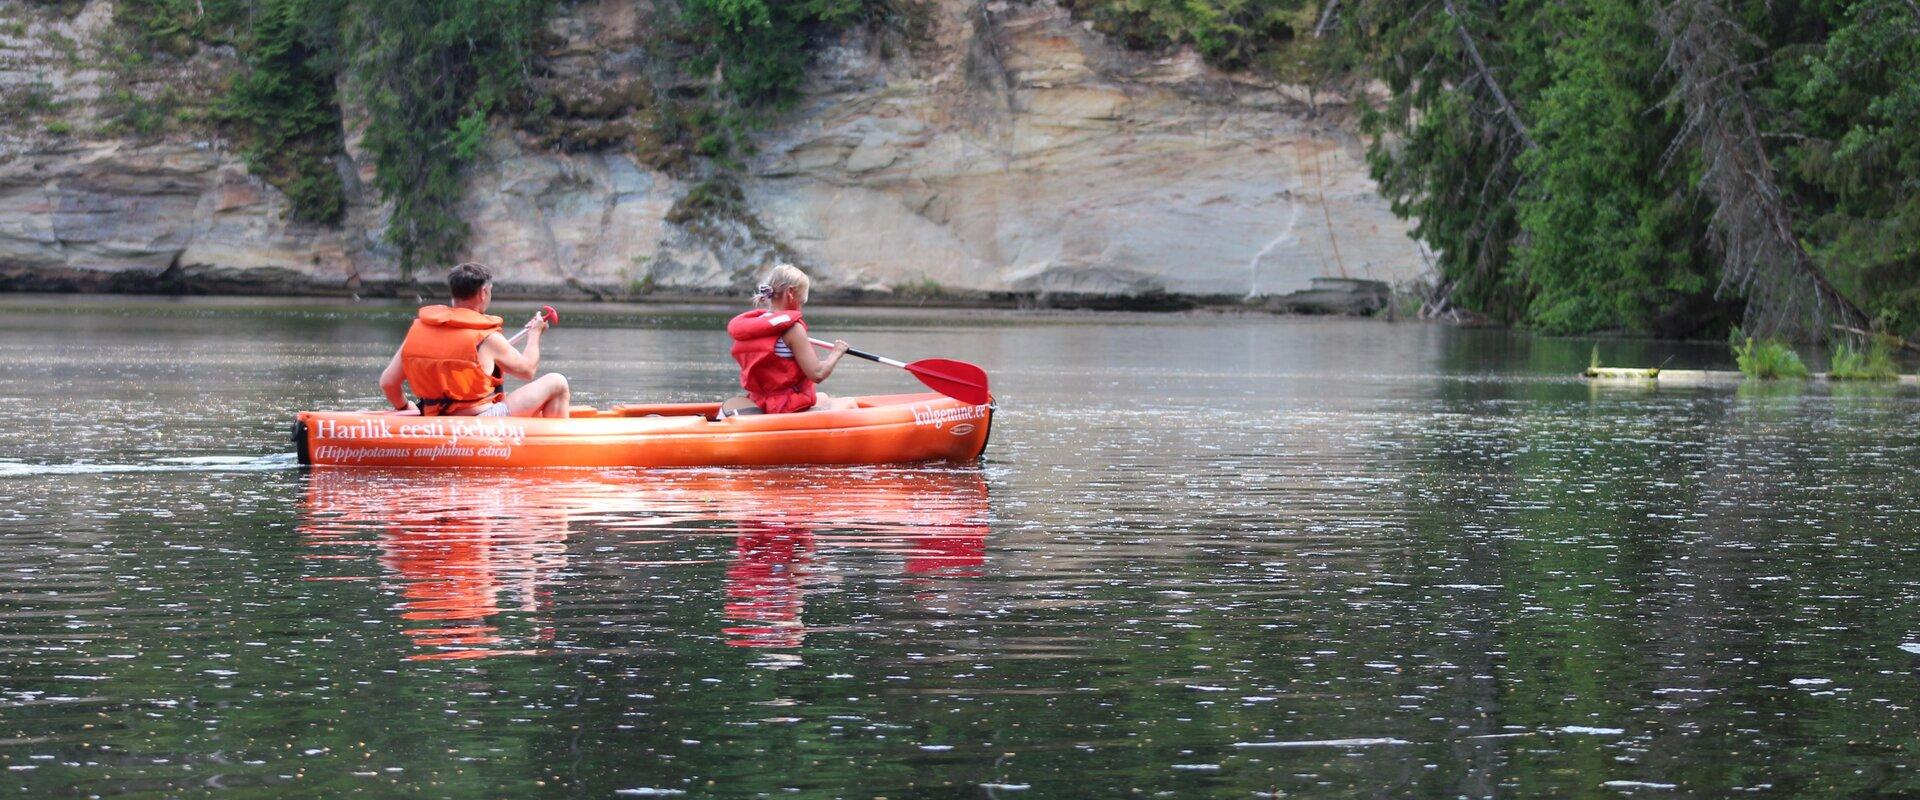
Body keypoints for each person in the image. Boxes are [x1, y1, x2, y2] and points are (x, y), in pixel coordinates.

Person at [378, 262, 571, 418]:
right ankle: (559, 446)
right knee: (557, 382)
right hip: (478, 421)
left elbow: (388, 383)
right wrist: (535, 334)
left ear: (453, 293)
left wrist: (405, 406)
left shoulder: (418, 329)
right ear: (483, 293)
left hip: (432, 416)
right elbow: (528, 370)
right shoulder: (488, 337)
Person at [719, 264, 855, 417]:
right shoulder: (793, 329)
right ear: (791, 292)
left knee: (823, 397)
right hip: (783, 408)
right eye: (802, 299)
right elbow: (817, 373)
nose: (801, 305)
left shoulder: (755, 325)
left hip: (759, 402)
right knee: (850, 403)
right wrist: (836, 352)